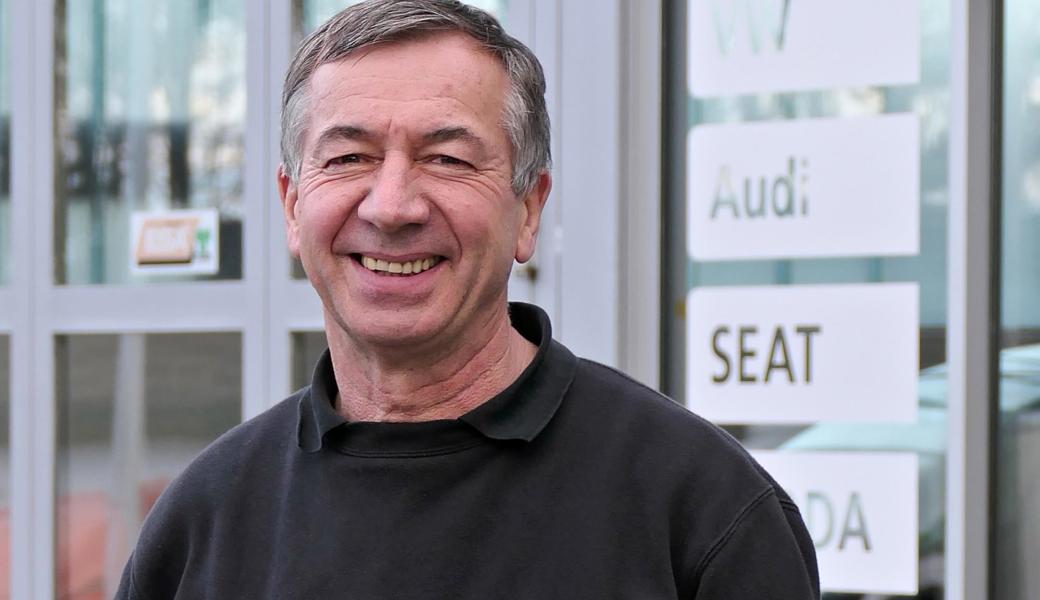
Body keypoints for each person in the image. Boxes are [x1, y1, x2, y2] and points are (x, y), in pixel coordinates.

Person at [116, 1, 820, 598]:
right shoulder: (203, 525)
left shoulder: (700, 510)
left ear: (529, 210)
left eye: (447, 158)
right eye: (349, 157)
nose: (392, 206)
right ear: (293, 206)